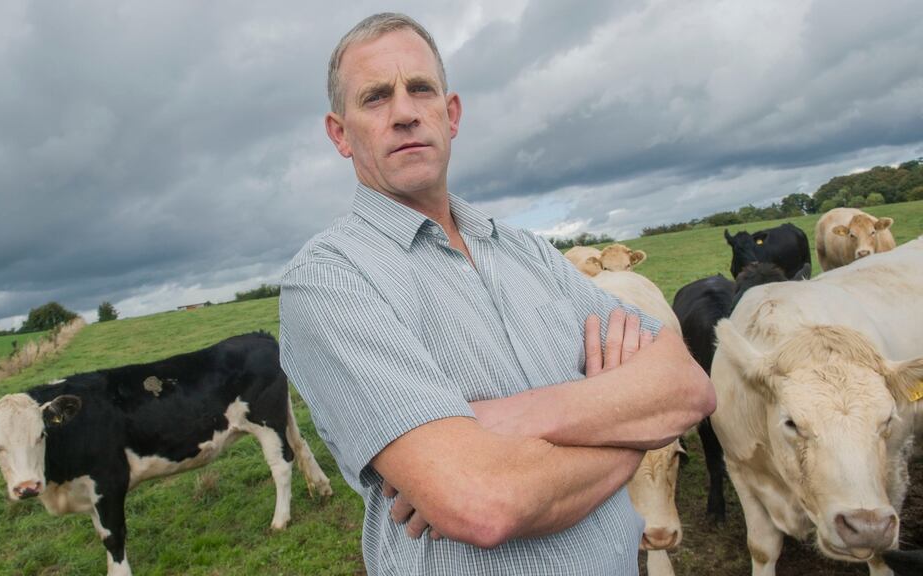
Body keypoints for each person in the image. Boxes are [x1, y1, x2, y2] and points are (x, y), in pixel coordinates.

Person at [279, 12, 715, 575]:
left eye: (420, 89)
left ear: (450, 113)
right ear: (340, 133)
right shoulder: (330, 281)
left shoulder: (524, 251)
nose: (405, 112)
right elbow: (484, 503)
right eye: (375, 98)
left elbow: (688, 388)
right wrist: (631, 426)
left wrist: (497, 421)